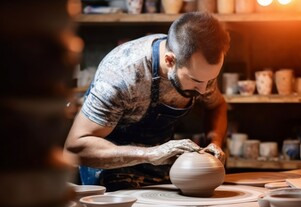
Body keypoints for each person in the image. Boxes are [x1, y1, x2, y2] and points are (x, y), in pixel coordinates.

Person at [64, 12, 230, 191]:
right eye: (196, 81)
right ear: (170, 60)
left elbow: (216, 105)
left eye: (210, 80)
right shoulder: (122, 75)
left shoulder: (199, 69)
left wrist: (216, 142)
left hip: (160, 164)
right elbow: (75, 148)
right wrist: (150, 153)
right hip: (110, 169)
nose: (204, 90)